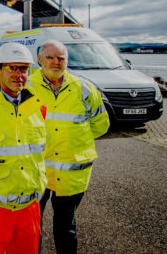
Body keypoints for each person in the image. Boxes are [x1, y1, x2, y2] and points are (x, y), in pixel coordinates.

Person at [28, 40, 109, 254]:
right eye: (50, 57)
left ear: (67, 60)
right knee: (32, 225)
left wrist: (74, 139)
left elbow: (101, 125)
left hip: (71, 174)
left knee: (66, 227)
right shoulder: (26, 87)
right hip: (36, 172)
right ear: (39, 60)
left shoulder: (84, 88)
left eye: (61, 58)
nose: (56, 62)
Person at [0, 43, 47, 254]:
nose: (19, 75)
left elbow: (39, 154)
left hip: (29, 208)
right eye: (12, 68)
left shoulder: (38, 107)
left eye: (23, 69)